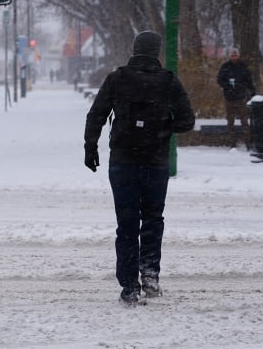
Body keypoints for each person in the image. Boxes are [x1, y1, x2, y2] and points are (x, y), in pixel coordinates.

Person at [83, 31, 195, 305]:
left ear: (134, 50)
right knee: (153, 219)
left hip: (123, 161)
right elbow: (187, 121)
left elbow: (96, 114)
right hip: (155, 162)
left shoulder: (117, 78)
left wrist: (91, 147)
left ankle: (129, 286)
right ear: (156, 52)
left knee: (127, 224)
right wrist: (162, 130)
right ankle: (150, 273)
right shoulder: (168, 81)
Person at [216, 47, 256, 148]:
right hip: (229, 98)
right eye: (232, 55)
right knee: (230, 122)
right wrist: (227, 86)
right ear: (230, 56)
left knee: (244, 121)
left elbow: (249, 80)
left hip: (241, 98)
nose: (234, 57)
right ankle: (232, 143)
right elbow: (219, 79)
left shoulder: (243, 66)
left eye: (235, 55)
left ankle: (247, 142)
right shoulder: (225, 66)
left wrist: (252, 91)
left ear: (238, 56)